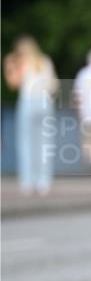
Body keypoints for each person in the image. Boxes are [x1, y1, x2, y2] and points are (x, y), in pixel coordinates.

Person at [3, 36, 58, 195]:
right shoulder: (45, 61)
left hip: (28, 101)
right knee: (44, 143)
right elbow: (53, 86)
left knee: (26, 143)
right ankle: (44, 182)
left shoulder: (20, 62)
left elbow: (13, 84)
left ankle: (28, 182)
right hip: (45, 102)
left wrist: (8, 67)